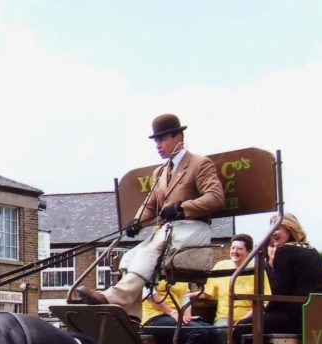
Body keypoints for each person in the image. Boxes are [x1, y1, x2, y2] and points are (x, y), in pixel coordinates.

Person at [73, 114, 224, 316]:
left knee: (150, 250)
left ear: (178, 137)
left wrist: (182, 207)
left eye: (162, 139)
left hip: (193, 228)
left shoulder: (200, 164)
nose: (158, 145)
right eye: (156, 141)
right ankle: (132, 317)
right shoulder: (160, 172)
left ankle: (113, 297)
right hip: (169, 231)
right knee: (128, 257)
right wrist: (137, 221)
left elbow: (215, 198)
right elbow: (150, 205)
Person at [237, 213, 322, 334]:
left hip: (296, 316)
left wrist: (266, 310)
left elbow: (280, 290)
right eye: (271, 229)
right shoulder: (311, 250)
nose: (272, 233)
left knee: (241, 327)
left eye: (276, 229)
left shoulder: (284, 250)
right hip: (316, 314)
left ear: (290, 228)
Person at [140, 280, 215, 344]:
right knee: (196, 331)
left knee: (212, 331)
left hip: (175, 317)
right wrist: (172, 312)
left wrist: (187, 316)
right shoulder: (153, 272)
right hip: (153, 317)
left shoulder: (180, 275)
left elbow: (185, 297)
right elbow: (149, 294)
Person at [200, 233, 271, 326]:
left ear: (249, 251)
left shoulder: (257, 270)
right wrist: (187, 296)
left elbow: (265, 300)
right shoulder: (220, 266)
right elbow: (207, 294)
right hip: (224, 317)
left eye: (239, 249)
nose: (234, 251)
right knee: (221, 330)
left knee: (244, 330)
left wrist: (242, 321)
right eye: (233, 248)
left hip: (248, 317)